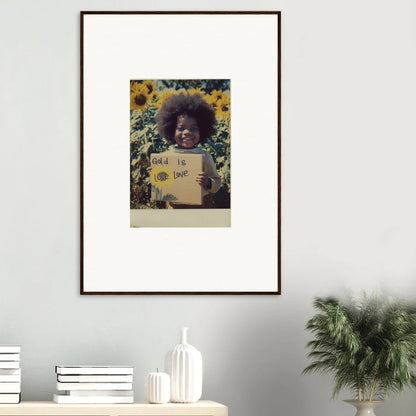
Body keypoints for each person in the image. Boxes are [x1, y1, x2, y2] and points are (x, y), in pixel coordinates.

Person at [151, 93, 221, 208]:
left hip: (201, 207)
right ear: (171, 129)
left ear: (202, 130)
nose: (187, 132)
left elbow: (217, 182)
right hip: (174, 207)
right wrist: (155, 174)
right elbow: (161, 184)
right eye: (181, 128)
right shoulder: (165, 158)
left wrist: (208, 182)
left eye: (193, 128)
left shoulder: (204, 156)